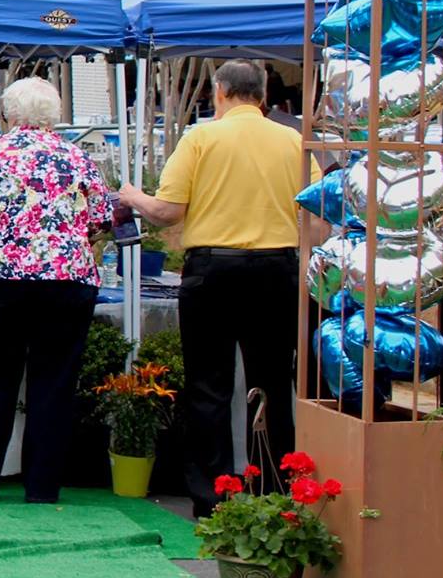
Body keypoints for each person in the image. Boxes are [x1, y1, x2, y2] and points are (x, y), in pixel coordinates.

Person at [117, 59, 303, 516]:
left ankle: (212, 496)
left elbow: (167, 211)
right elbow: (313, 213)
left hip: (214, 270)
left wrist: (130, 196)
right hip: (278, 267)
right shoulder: (294, 140)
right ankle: (276, 485)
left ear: (219, 91)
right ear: (262, 94)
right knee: (274, 382)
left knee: (209, 385)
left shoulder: (201, 137)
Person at [0, 78, 115, 505]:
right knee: (54, 382)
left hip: (1, 276)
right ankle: (42, 486)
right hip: (66, 279)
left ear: (9, 113)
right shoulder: (77, 155)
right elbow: (101, 217)